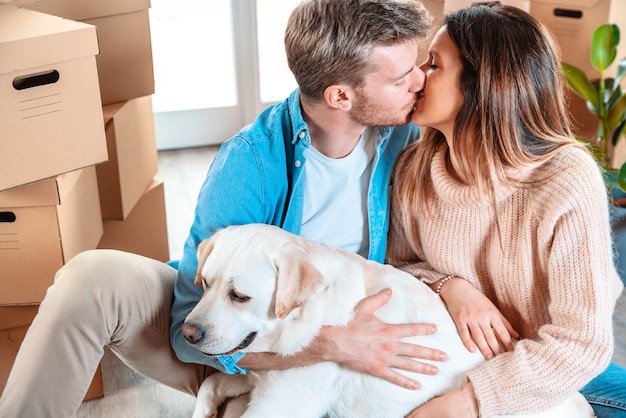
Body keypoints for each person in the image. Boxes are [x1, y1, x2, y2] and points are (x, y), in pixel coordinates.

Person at [0, 0, 442, 416]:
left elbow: (428, 254)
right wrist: (333, 345)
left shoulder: (406, 139)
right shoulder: (249, 161)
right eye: (400, 77)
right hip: (243, 349)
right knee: (89, 279)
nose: (420, 81)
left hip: (346, 358)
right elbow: (189, 333)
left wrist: (446, 285)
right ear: (340, 97)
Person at [386, 2, 626, 417]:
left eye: (434, 64)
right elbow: (397, 266)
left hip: (552, 367)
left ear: (483, 84)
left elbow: (582, 343)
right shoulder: (413, 169)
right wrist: (449, 285)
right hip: (459, 361)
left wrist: (466, 404)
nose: (417, 77)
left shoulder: (566, 178)